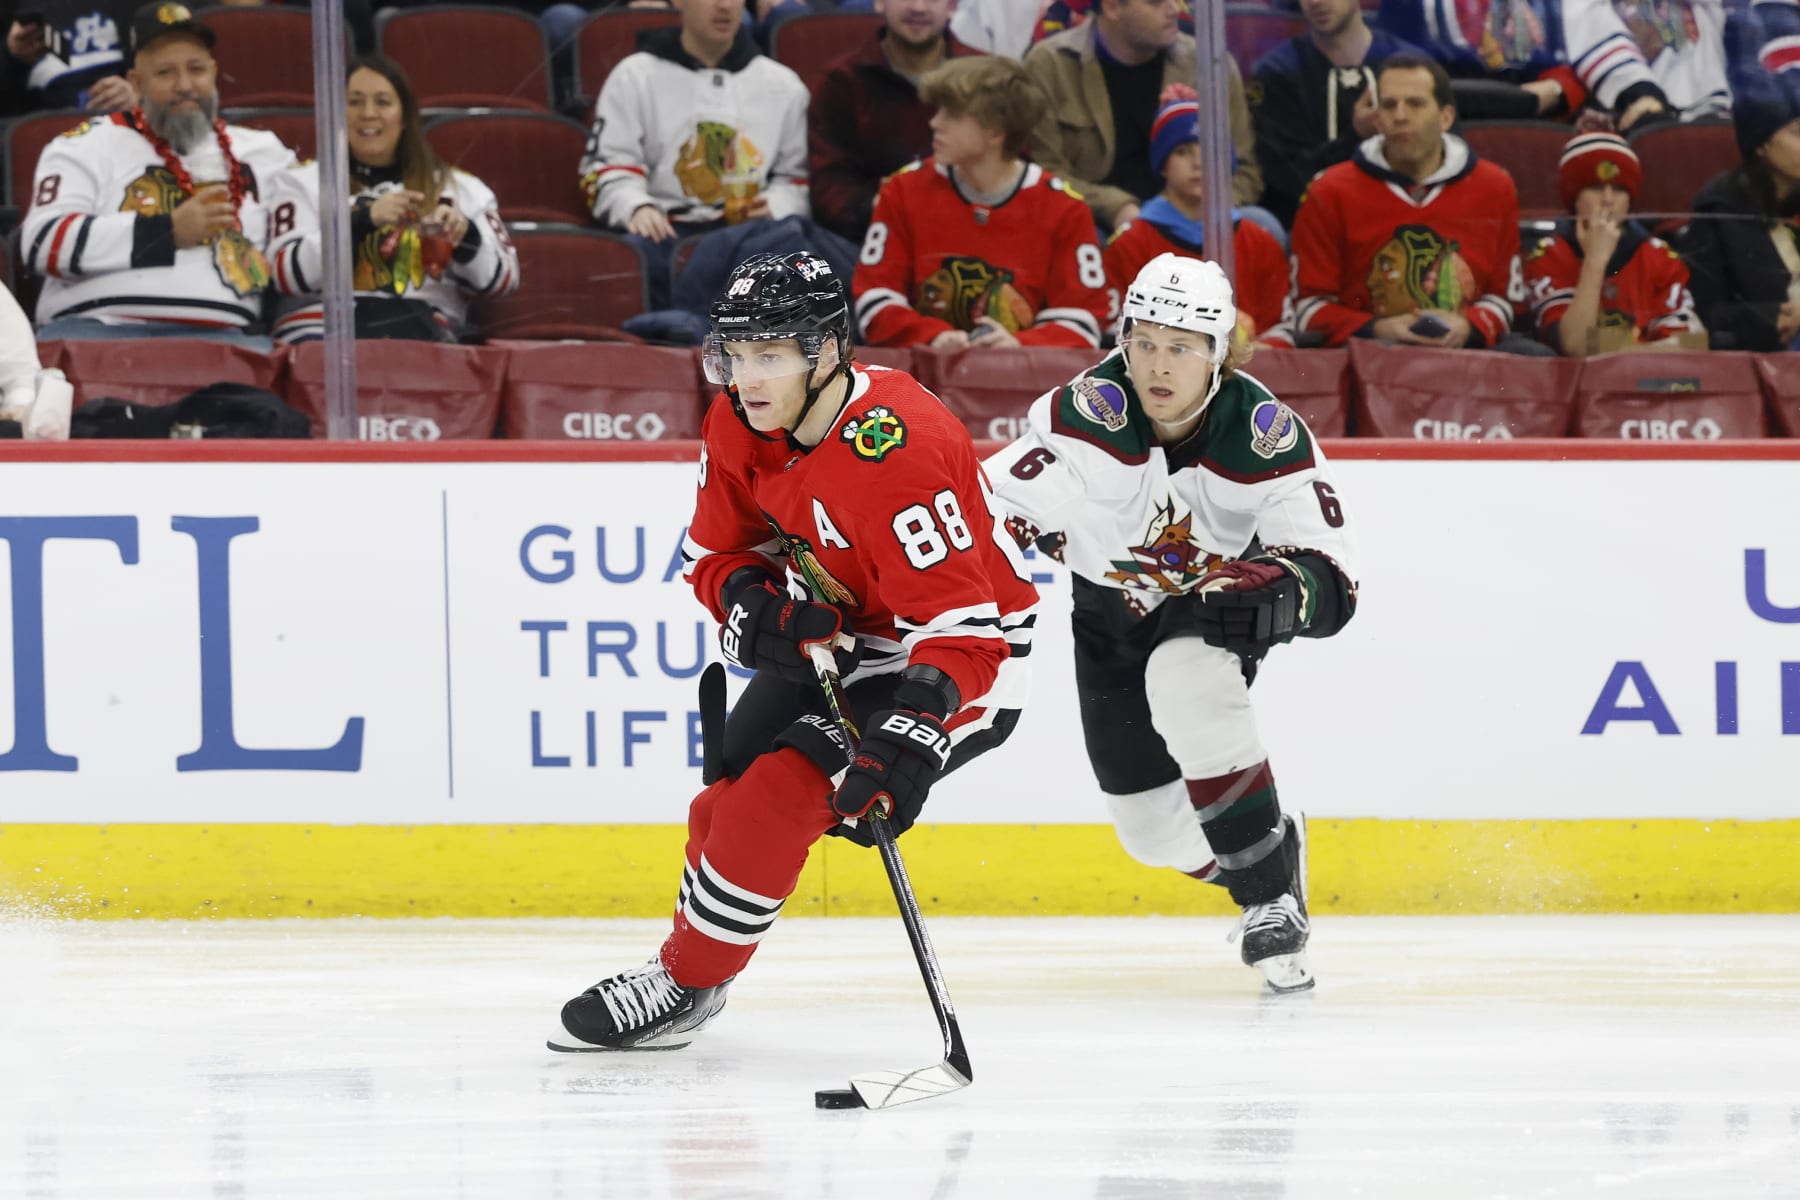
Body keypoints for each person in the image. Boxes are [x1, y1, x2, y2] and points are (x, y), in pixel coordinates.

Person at [551, 251, 1040, 1051]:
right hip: (845, 639)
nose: (746, 377)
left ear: (829, 352)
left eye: (770, 355)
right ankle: (689, 968)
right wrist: (752, 605)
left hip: (956, 655)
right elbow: (711, 559)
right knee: (721, 800)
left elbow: (964, 627)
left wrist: (914, 727)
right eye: (736, 354)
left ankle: (685, 983)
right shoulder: (737, 420)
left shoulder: (898, 451)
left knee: (770, 801)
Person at [984, 253, 1358, 994]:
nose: (1158, 365)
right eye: (1144, 341)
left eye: (1182, 347)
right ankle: (1275, 854)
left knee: (1184, 678)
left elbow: (1331, 571)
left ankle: (1268, 900)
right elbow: (995, 507)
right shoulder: (1089, 412)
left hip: (1213, 604)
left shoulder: (1263, 433)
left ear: (1219, 354)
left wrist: (1288, 590)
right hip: (1106, 616)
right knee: (1151, 836)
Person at [21, 2, 296, 344]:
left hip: (228, 342)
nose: (184, 85)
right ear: (135, 83)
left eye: (196, 69)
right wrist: (166, 233)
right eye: (165, 73)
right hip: (96, 333)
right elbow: (43, 242)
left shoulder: (264, 152)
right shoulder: (84, 144)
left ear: (214, 72)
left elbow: (299, 250)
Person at [1271, 53, 1532, 353]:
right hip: (1366, 356)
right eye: (1389, 105)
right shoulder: (1329, 190)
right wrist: (1380, 328)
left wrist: (1467, 325)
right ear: (1377, 118)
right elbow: (1309, 309)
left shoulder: (1494, 187)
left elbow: (1505, 298)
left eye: (1415, 104)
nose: (1400, 115)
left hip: (1467, 356)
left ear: (1446, 117)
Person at [852, 55, 1110, 350]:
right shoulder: (902, 190)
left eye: (953, 114)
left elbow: (1084, 319)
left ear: (996, 132)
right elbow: (874, 299)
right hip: (917, 377)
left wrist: (1020, 345)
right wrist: (931, 336)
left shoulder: (1064, 209)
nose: (935, 123)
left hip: (1024, 385)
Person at [263, 55, 519, 344]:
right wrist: (362, 221)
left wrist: (464, 237)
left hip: (424, 336)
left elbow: (504, 280)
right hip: (321, 334)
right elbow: (285, 276)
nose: (368, 113)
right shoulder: (300, 182)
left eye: (383, 102)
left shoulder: (459, 188)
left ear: (405, 116)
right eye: (355, 102)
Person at [578, 0, 810, 306]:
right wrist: (636, 207)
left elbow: (797, 181)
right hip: (662, 234)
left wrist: (774, 205)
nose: (725, 6)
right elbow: (608, 166)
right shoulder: (633, 75)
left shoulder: (785, 85)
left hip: (750, 235)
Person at [1021, 0, 1264, 236]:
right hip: (1100, 219)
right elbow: (1047, 175)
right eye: (1156, 2)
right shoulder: (1050, 64)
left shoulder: (1211, 63)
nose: (1174, 9)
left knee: (1261, 224)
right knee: (1080, 234)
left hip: (1196, 215)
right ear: (1112, 7)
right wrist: (1116, 207)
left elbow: (1245, 171)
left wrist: (1187, 210)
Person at [1104, 85, 1290, 341]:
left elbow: (1280, 329)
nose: (1198, 163)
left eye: (1210, 151)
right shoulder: (1130, 244)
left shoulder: (1259, 243)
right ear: (1163, 164)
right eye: (1182, 152)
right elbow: (1116, 333)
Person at [807, 0, 978, 245]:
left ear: (952, 6)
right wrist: (885, 205)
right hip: (869, 241)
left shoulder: (983, 82)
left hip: (973, 238)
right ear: (879, 2)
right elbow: (828, 187)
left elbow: (1011, 168)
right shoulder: (842, 82)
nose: (919, 8)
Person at [1683, 8, 1800, 351]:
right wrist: (1770, 317)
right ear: (1761, 144)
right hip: (1768, 362)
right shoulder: (1719, 211)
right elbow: (1704, 314)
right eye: (1796, 133)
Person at [1250, 0, 1426, 228]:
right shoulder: (1278, 72)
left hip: (1405, 219)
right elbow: (1285, 179)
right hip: (1314, 225)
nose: (1315, 2)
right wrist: (1354, 136)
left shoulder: (1412, 67)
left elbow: (1442, 155)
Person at [1523, 132, 1702, 355]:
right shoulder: (1549, 256)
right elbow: (1577, 347)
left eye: (1618, 190)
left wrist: (1613, 352)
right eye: (1596, 187)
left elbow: (1691, 346)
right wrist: (1595, 261)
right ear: (1574, 197)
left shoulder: (1659, 257)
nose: (1608, 199)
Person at [1, 0, 137, 117]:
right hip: (40, 130)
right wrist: (10, 54)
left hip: (124, 124)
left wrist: (139, 94)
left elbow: (154, 65)